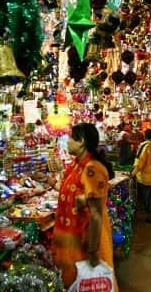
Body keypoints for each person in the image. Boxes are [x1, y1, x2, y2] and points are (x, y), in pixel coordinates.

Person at [51, 123, 118, 290]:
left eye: (71, 138)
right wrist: (51, 182)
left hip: (85, 242)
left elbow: (96, 214)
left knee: (88, 284)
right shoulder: (75, 166)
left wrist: (93, 251)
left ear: (81, 142)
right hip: (69, 242)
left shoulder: (92, 169)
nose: (67, 142)